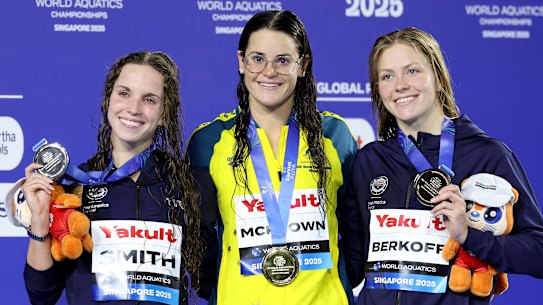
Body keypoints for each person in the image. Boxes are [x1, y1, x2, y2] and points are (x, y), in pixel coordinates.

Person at [339, 27, 543, 305]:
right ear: (378, 90)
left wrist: (468, 235)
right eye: (387, 76)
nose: (400, 84)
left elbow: (538, 252)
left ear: (437, 77)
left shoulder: (488, 155)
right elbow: (351, 264)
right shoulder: (370, 161)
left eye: (412, 71)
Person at [187, 10, 358, 305]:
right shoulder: (209, 141)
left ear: (302, 65)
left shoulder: (335, 135)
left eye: (282, 60)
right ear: (241, 62)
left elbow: (357, 231)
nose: (269, 71)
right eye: (257, 58)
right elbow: (199, 240)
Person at [18, 51, 204, 305]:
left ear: (164, 114)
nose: (133, 108)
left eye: (149, 99)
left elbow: (212, 279)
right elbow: (42, 294)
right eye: (124, 93)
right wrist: (39, 221)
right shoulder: (74, 187)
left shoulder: (189, 186)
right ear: (108, 100)